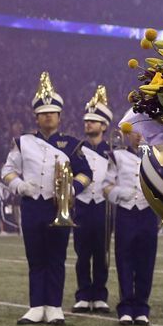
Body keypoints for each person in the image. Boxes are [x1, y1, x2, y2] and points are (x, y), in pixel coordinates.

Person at [1, 74, 88, 326]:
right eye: (43, 113)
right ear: (36, 117)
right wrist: (20, 186)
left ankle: (54, 306)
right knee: (35, 257)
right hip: (32, 205)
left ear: (60, 116)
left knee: (56, 257)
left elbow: (86, 173)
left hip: (57, 206)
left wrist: (71, 191)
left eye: (53, 112)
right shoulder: (22, 142)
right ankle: (36, 305)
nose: (48, 116)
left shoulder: (72, 144)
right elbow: (7, 171)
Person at [71, 86, 114, 313]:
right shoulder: (76, 149)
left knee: (101, 252)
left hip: (103, 207)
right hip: (83, 205)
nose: (88, 124)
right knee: (82, 253)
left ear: (104, 126)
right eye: (87, 121)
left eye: (93, 121)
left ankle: (100, 294)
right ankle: (82, 294)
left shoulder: (113, 151)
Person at [109, 115, 156, 326]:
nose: (139, 136)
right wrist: (120, 193)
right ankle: (126, 307)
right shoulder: (117, 156)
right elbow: (105, 186)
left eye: (143, 131)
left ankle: (142, 306)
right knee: (124, 260)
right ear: (128, 135)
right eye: (135, 132)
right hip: (126, 212)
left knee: (146, 261)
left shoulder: (157, 156)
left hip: (148, 212)